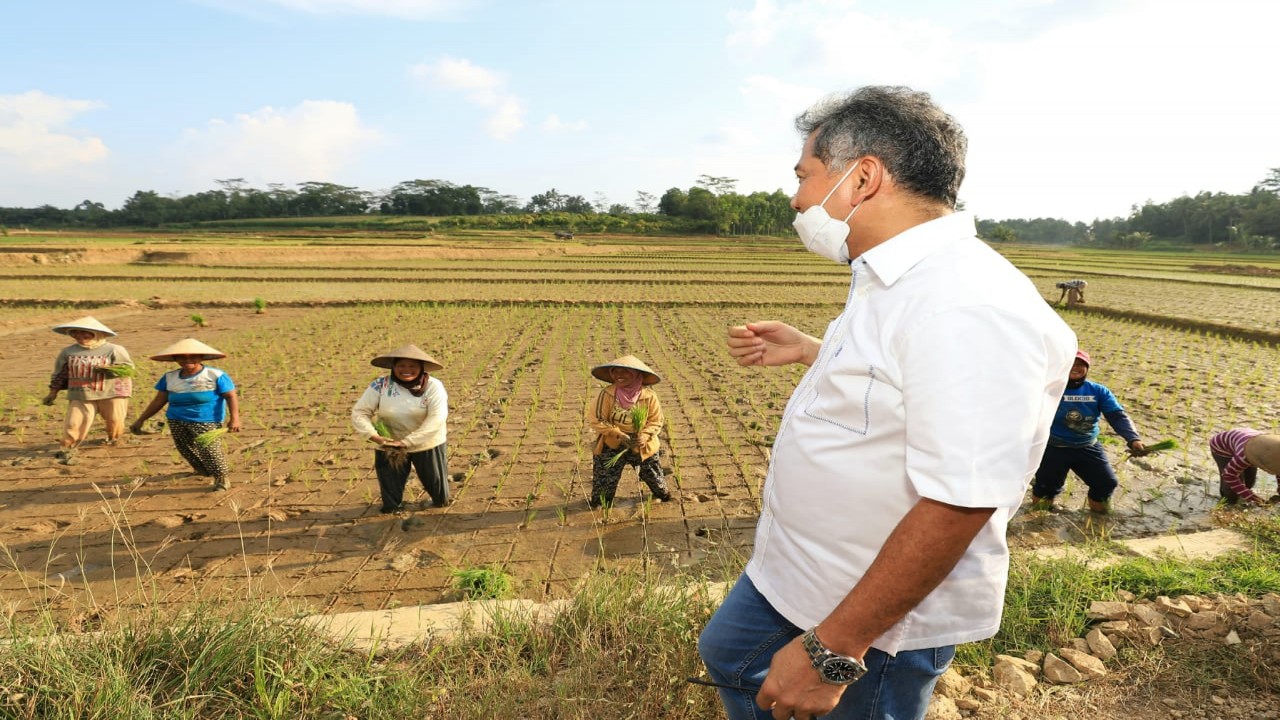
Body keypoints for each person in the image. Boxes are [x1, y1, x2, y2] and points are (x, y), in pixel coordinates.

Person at [697, 86, 1076, 720]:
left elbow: (960, 501)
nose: (796, 198)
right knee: (729, 653)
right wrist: (816, 350)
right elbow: (907, 386)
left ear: (862, 177)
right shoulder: (892, 278)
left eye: (805, 176)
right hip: (801, 579)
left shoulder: (966, 304)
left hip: (866, 622)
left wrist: (832, 653)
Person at [1029, 350, 1147, 513]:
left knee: (1106, 483)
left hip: (1086, 446)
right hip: (1053, 447)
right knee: (1046, 488)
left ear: (1087, 368)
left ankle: (1097, 519)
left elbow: (1117, 416)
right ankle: (1038, 521)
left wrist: (1133, 438)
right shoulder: (1049, 389)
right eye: (1071, 364)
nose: (1075, 368)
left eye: (1080, 364)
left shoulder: (1098, 391)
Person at [130, 339, 241, 491]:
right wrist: (141, 419)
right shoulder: (169, 377)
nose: (187, 360)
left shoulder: (215, 375)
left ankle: (221, 477)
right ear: (176, 359)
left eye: (193, 357)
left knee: (209, 449)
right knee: (185, 448)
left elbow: (231, 396)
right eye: (182, 357)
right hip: (176, 418)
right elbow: (159, 400)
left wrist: (235, 418)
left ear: (201, 357)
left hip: (206, 419)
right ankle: (203, 470)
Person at [351, 344, 450, 513]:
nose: (406, 370)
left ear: (421, 368)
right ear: (393, 366)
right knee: (390, 489)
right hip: (389, 442)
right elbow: (360, 412)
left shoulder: (434, 386)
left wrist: (407, 442)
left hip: (426, 443)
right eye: (401, 365)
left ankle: (440, 505)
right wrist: (374, 436)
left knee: (436, 486)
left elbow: (437, 418)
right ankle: (392, 509)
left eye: (412, 366)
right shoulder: (380, 385)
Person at [42, 316, 134, 465]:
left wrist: (110, 369)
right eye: (75, 333)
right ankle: (68, 448)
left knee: (114, 420)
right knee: (73, 423)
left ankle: (113, 439)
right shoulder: (68, 352)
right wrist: (53, 393)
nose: (80, 337)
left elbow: (128, 369)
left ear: (97, 334)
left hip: (112, 392)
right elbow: (60, 373)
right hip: (81, 393)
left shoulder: (114, 349)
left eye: (85, 333)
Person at [585, 355, 671, 508]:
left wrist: (644, 435)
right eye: (615, 371)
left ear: (637, 375)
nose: (619, 375)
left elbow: (656, 421)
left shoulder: (649, 396)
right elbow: (597, 419)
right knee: (604, 480)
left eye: (625, 372)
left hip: (642, 443)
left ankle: (663, 496)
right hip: (612, 441)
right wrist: (618, 434)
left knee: (654, 477)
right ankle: (601, 505)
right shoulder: (606, 394)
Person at [1209, 428, 1280, 506]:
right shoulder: (1244, 456)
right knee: (1232, 490)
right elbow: (1228, 475)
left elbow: (1277, 469)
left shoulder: (1274, 452)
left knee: (1249, 482)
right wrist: (1250, 496)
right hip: (1222, 447)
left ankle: (1241, 498)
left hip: (1247, 442)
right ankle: (1228, 504)